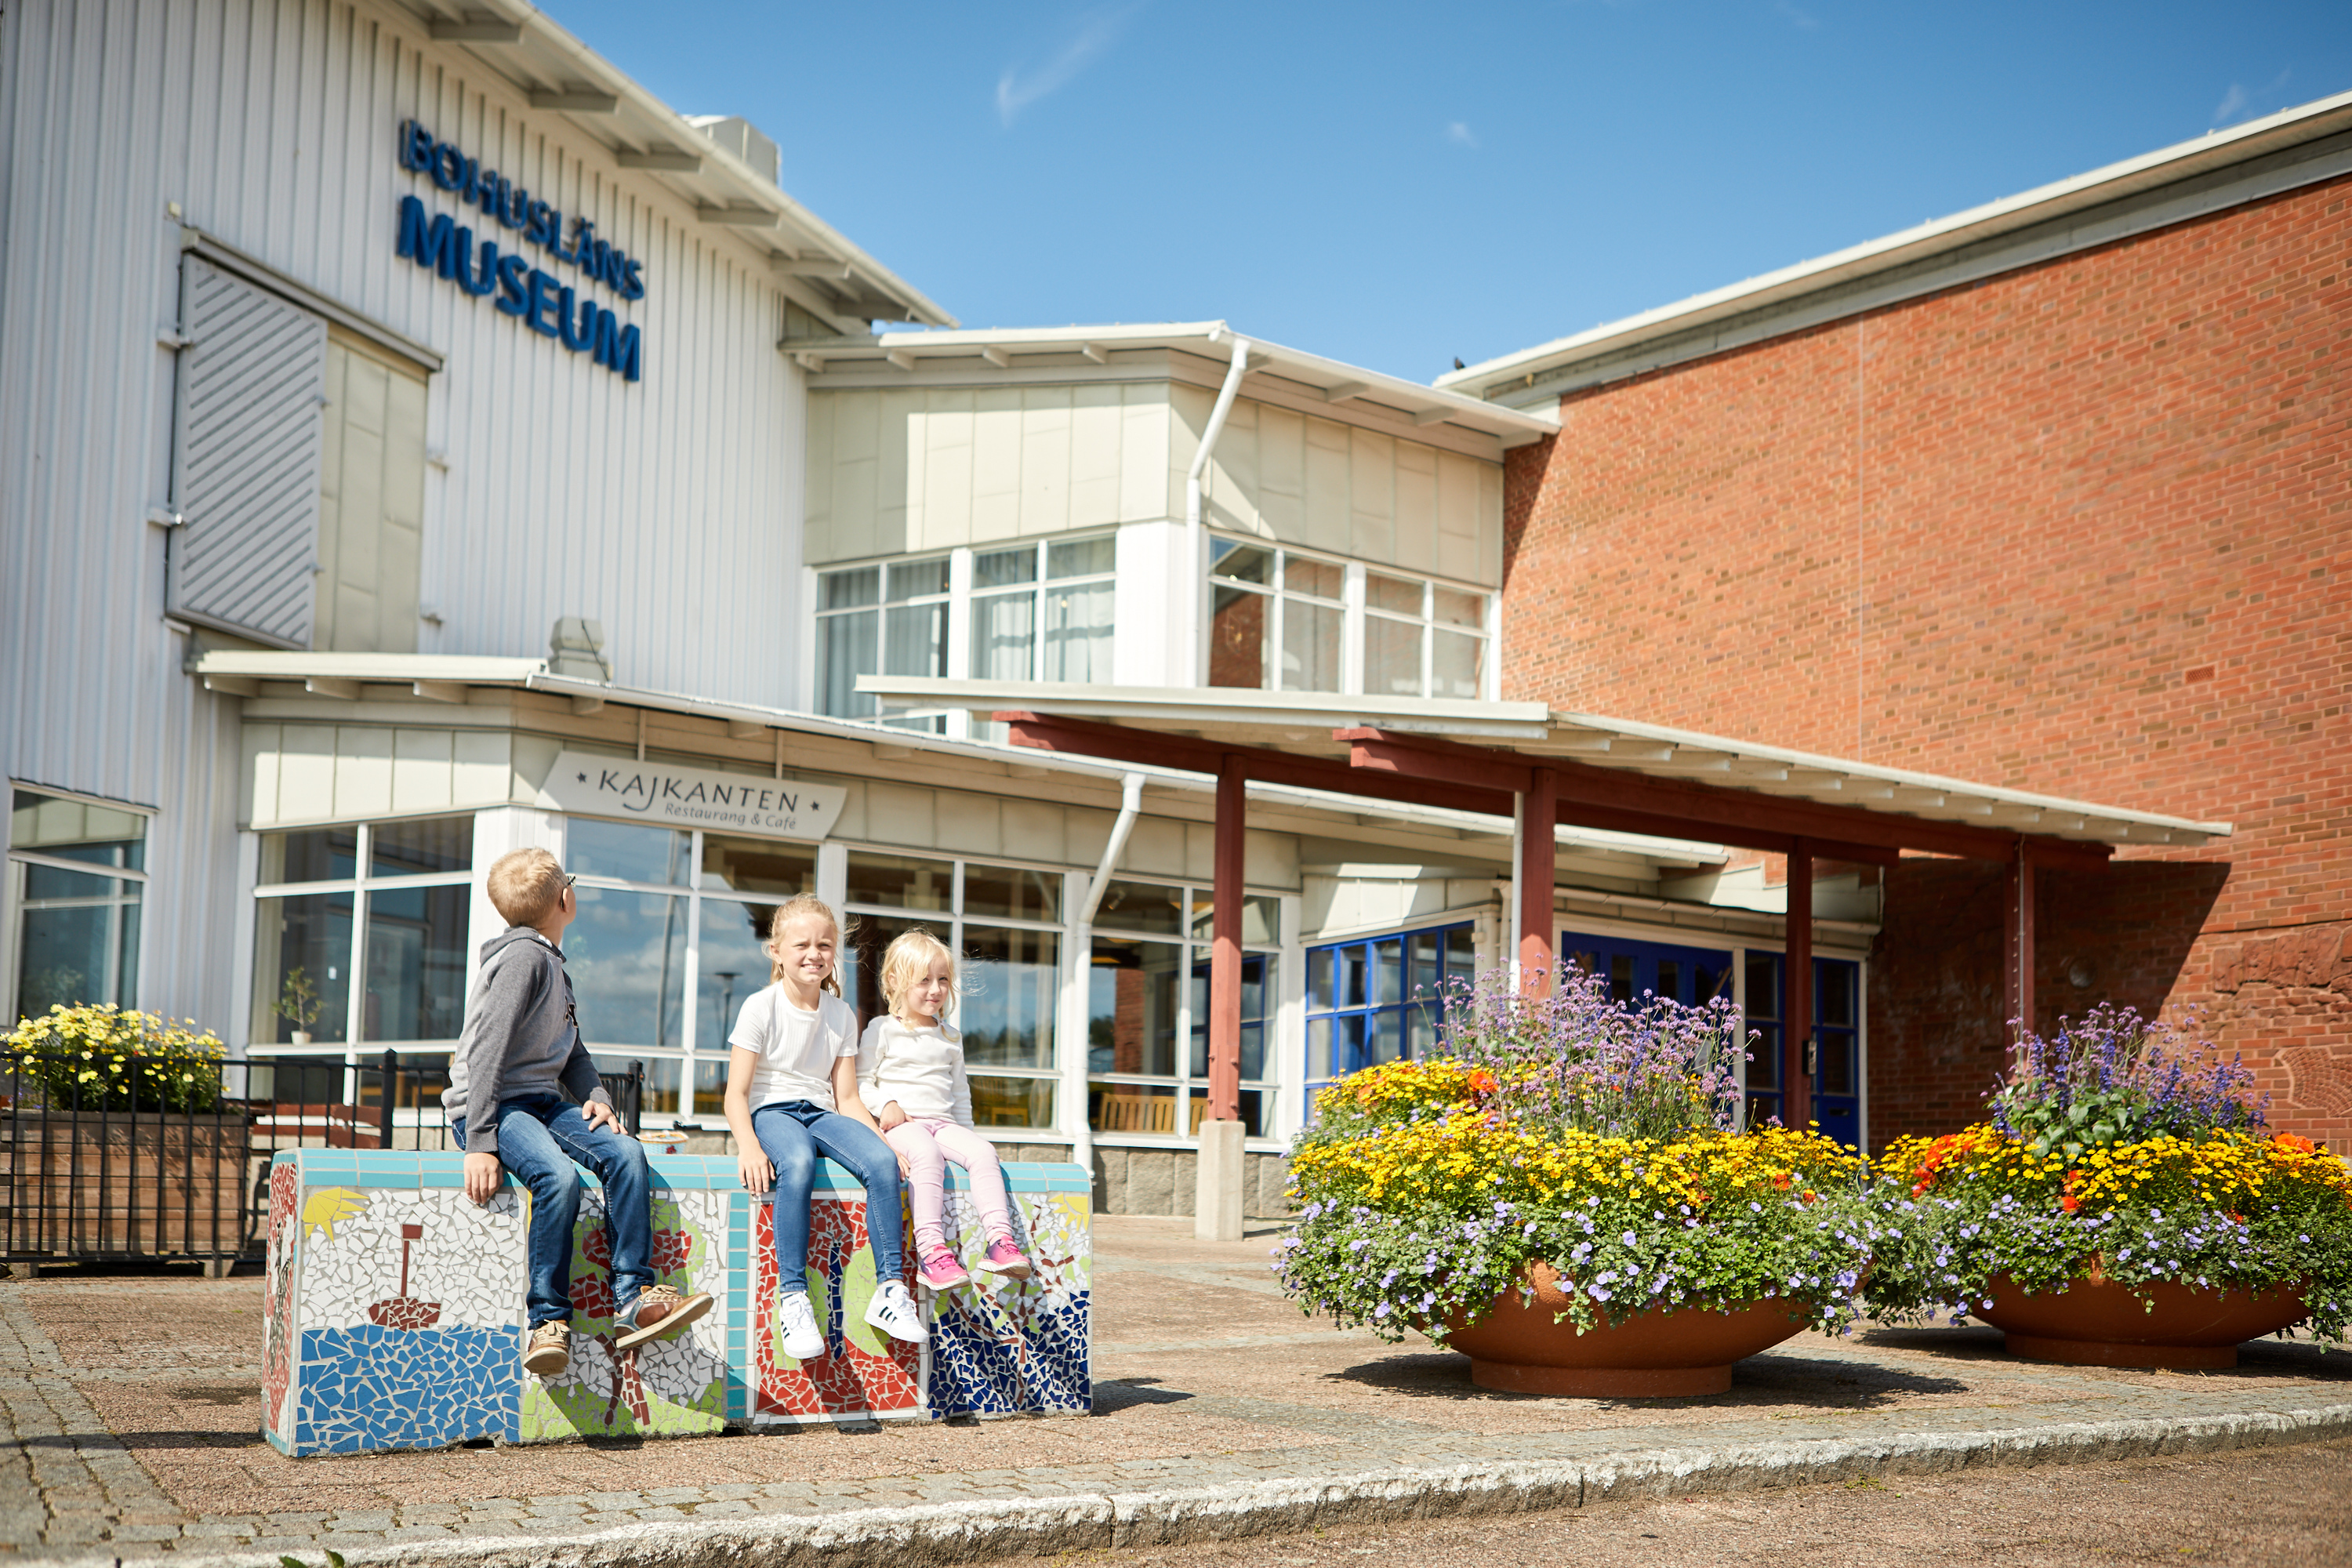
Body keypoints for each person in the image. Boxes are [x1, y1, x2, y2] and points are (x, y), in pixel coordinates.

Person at [445, 847, 712, 1377]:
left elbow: (574, 1053)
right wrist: (480, 1142)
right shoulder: (523, 958)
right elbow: (487, 1051)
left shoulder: (550, 962)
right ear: (564, 898)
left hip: (542, 1100)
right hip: (495, 1106)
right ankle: (547, 1321)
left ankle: (633, 1299)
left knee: (625, 1153)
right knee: (557, 1179)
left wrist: (596, 1096)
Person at [722, 894, 927, 1360]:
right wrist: (749, 1146)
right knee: (795, 1162)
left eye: (825, 944)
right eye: (802, 945)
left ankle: (890, 1291)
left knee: (880, 1164)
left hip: (820, 1112)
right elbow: (736, 1094)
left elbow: (848, 1097)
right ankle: (793, 1298)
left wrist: (882, 1141)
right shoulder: (760, 1007)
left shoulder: (840, 1014)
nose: (814, 954)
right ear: (776, 951)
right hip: (772, 1113)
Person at [860, 928, 1031, 1289]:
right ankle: (932, 1252)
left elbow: (960, 1093)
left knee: (984, 1153)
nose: (935, 989)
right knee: (925, 1154)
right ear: (895, 980)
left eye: (942, 980)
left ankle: (1000, 1241)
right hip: (904, 1125)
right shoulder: (882, 1029)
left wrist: (966, 1138)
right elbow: (861, 1082)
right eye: (924, 980)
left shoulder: (951, 1036)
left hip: (943, 1124)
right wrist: (885, 1104)